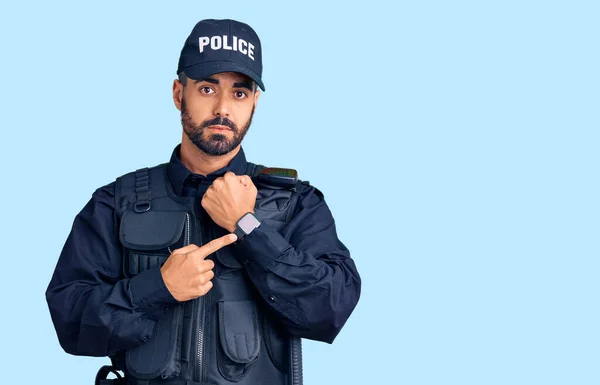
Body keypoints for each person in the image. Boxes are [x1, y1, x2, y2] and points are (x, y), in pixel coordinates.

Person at [46, 18, 361, 385]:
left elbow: (330, 308)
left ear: (255, 102)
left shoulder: (295, 203)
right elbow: (70, 320)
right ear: (179, 93)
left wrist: (248, 226)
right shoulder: (117, 202)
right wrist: (157, 288)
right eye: (208, 89)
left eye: (239, 93)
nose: (223, 109)